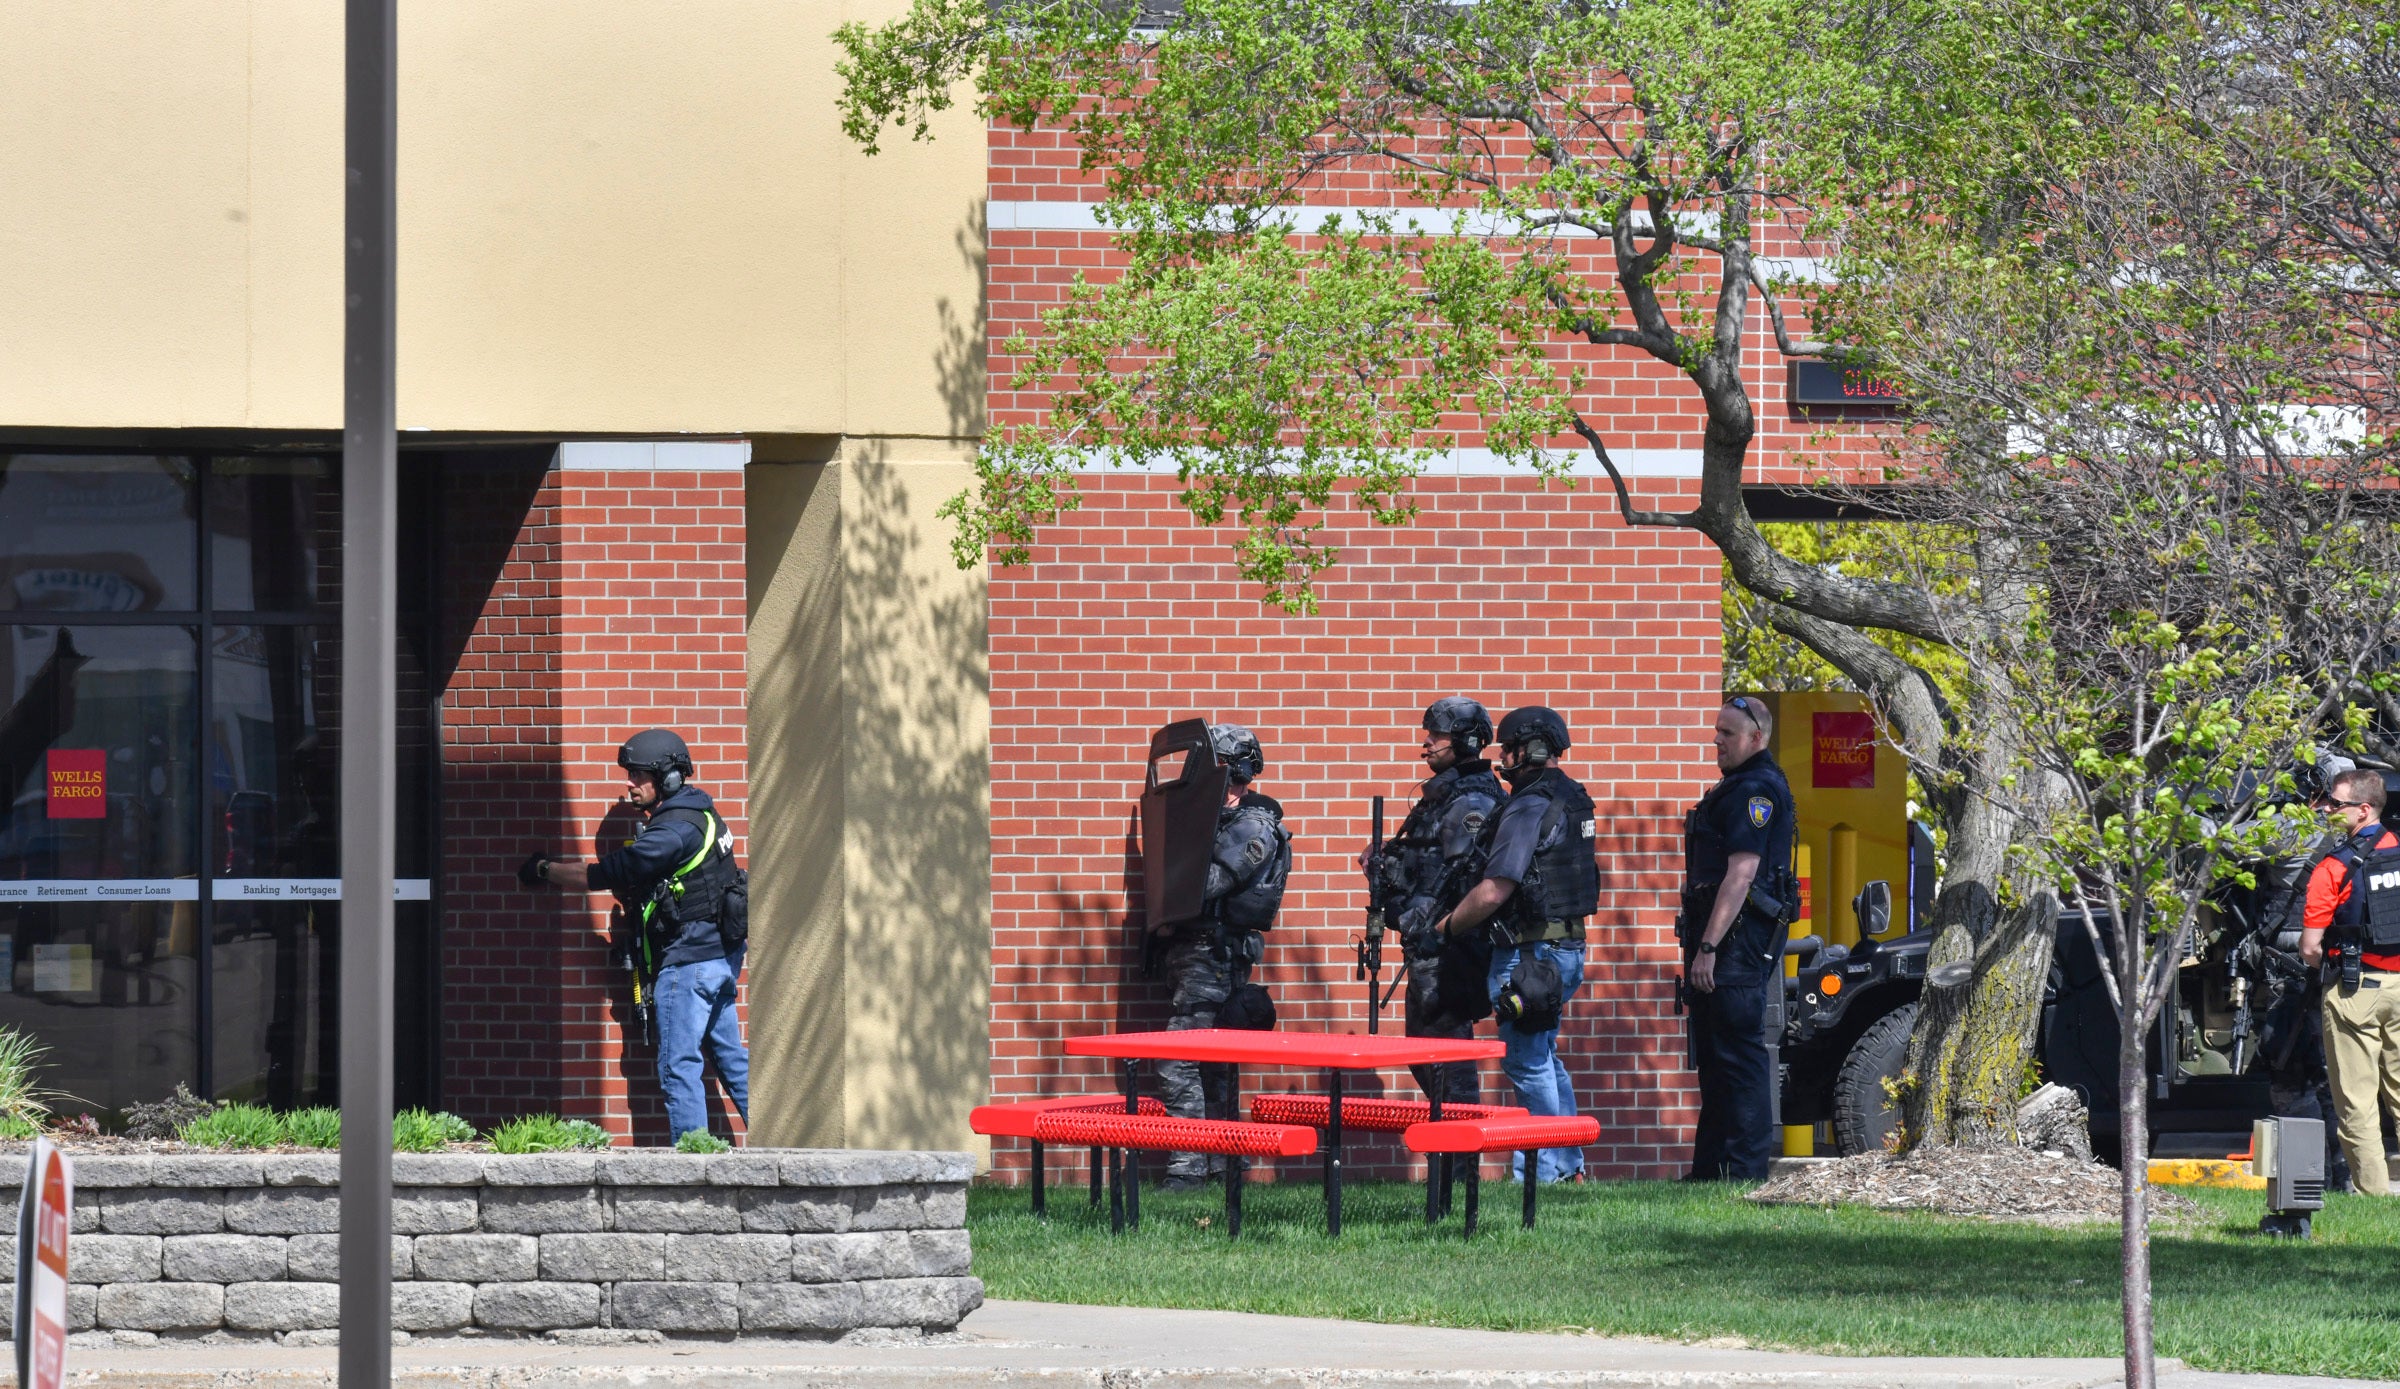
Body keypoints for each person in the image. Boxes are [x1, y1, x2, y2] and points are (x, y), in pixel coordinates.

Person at [519, 729, 751, 1144]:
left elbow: (604, 873)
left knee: (678, 1066)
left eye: (640, 775)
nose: (630, 783)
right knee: (733, 1062)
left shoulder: (670, 834)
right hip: (720, 958)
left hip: (689, 966)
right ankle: (786, 1144)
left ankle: (696, 1171)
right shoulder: (703, 814)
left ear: (669, 779)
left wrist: (545, 871)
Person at [1435, 705, 1595, 1183]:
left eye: (1509, 747)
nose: (1501, 756)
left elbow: (1495, 888)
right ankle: (1568, 1164)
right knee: (1544, 1055)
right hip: (1562, 952)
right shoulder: (1574, 797)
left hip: (1532, 956)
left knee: (1527, 1063)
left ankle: (1542, 1174)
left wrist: (1443, 928)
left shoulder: (1529, 804)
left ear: (1534, 749)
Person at [1155, 721, 1290, 1191]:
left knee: (1179, 1059)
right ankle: (1222, 1162)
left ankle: (1189, 1167)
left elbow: (1209, 883)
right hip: (1194, 952)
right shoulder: (1220, 821)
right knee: (1212, 1062)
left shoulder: (1254, 825)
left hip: (1214, 954)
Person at [1680, 695, 1796, 1183]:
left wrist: (1708, 948)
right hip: (1724, 936)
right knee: (1713, 1055)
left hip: (1737, 941)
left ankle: (1747, 1173)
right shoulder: (1734, 787)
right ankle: (1709, 1172)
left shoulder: (1756, 791)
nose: (1717, 741)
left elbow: (1742, 874)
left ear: (1757, 738)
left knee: (1739, 1056)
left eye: (1727, 733)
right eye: (1717, 731)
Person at [1366, 697, 1502, 1108]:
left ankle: (1461, 1160)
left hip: (1449, 948)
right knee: (1424, 1051)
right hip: (1426, 944)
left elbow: (1459, 880)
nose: (1426, 743)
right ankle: (1448, 1155)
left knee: (1448, 1058)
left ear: (1464, 741)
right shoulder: (1444, 796)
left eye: (1436, 735)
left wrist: (1426, 924)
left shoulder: (1471, 802)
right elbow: (1427, 863)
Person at [2299, 767, 2400, 1194]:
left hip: (2355, 990)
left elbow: (2309, 947)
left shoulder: (2333, 867)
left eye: (2335, 804)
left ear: (2363, 809)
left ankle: (2375, 1199)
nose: (2326, 810)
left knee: (2357, 1103)